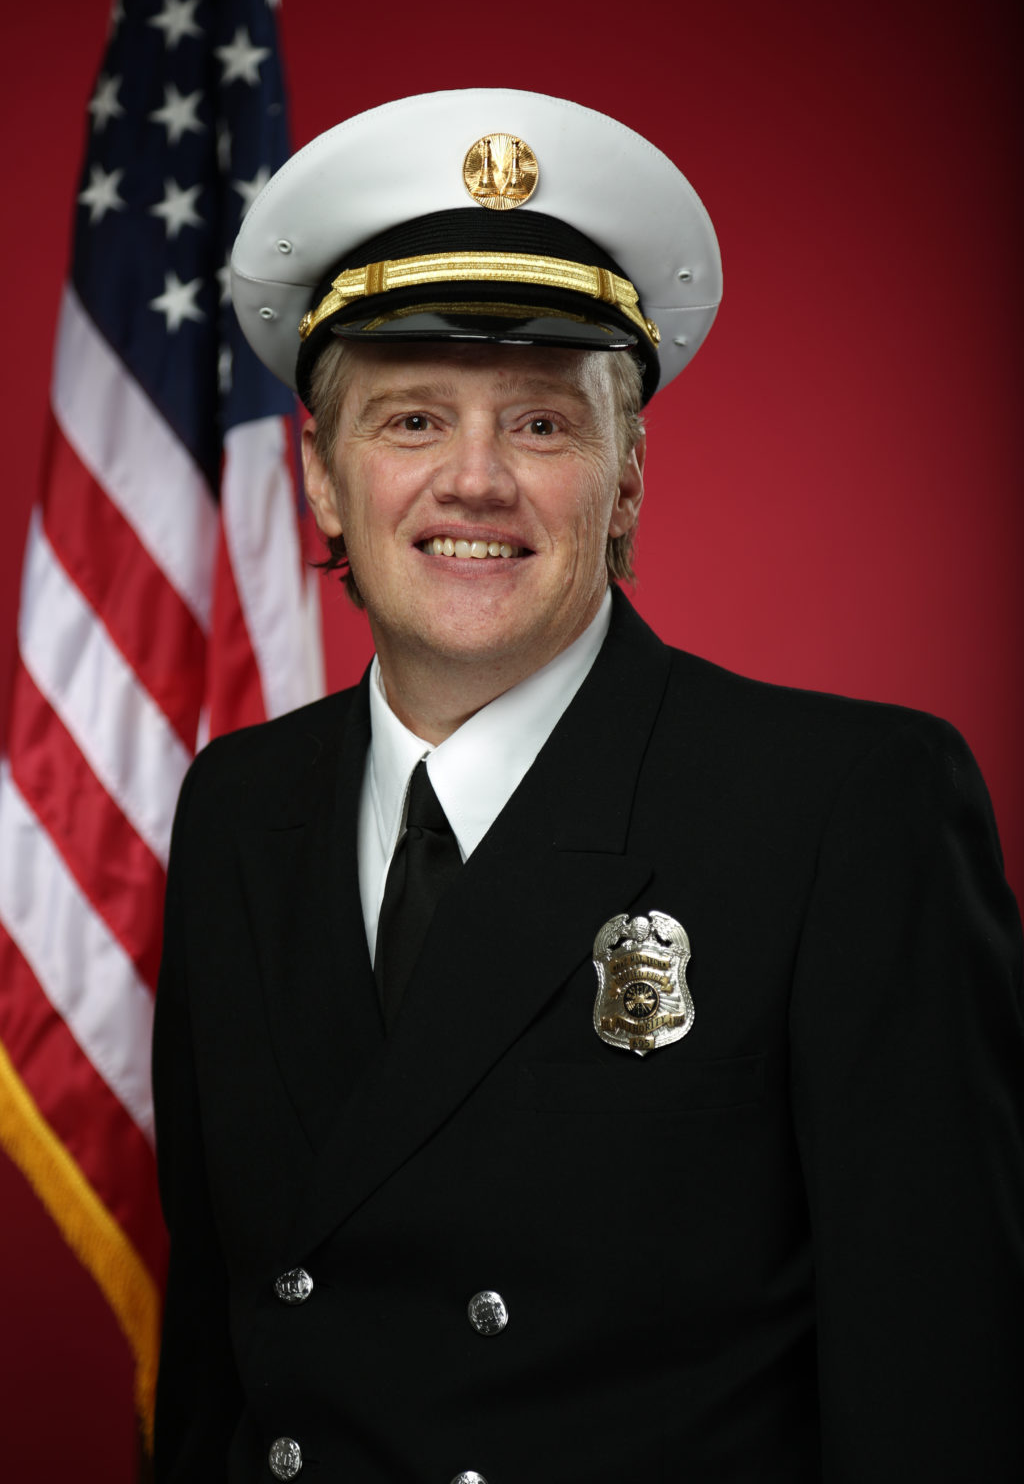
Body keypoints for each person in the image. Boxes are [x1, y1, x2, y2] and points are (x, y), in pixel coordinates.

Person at [152, 89, 1024, 1483]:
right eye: (412, 420)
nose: (475, 482)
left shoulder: (847, 809)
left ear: (625, 480)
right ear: (321, 478)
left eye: (544, 427)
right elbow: (219, 1356)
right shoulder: (238, 808)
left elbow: (940, 1386)